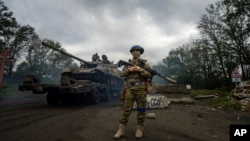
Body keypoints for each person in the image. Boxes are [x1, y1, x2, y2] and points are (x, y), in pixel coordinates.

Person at [113, 45, 151, 139]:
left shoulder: (145, 63)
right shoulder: (127, 64)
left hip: (141, 89)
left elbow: (149, 74)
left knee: (141, 109)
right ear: (131, 52)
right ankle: (121, 130)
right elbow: (121, 74)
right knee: (126, 109)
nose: (135, 52)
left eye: (137, 50)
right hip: (129, 89)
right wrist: (129, 70)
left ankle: (139, 129)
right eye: (133, 50)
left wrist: (140, 69)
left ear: (141, 52)